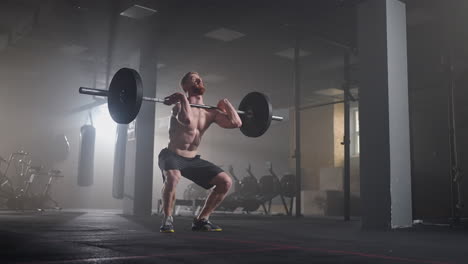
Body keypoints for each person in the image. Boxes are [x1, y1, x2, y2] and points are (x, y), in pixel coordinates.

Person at [158, 72, 242, 233]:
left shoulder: (210, 112)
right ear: (185, 86)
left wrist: (225, 103)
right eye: (193, 78)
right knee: (173, 177)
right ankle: (167, 219)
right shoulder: (178, 106)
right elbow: (187, 120)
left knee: (225, 182)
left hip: (191, 159)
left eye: (200, 78)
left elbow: (236, 123)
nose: (198, 79)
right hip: (171, 155)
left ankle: (202, 219)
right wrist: (182, 98)